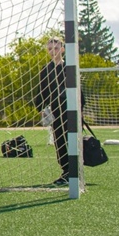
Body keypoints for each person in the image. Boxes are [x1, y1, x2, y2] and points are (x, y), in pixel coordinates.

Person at [34, 37, 71, 185]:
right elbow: (41, 90)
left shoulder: (69, 67)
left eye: (55, 48)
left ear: (62, 49)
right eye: (49, 49)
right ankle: (66, 171)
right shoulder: (46, 69)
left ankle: (75, 171)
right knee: (59, 141)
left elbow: (78, 91)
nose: (52, 51)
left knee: (72, 140)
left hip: (70, 110)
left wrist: (79, 109)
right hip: (55, 111)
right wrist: (41, 108)